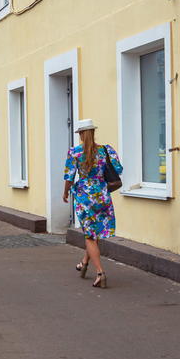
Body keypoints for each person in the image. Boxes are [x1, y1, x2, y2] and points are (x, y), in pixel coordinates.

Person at [62, 119, 122, 288]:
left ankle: (100, 273)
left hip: (84, 196)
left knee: (89, 235)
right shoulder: (105, 150)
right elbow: (118, 170)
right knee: (95, 233)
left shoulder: (75, 152)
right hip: (102, 195)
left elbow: (69, 176)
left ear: (81, 134)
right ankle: (84, 263)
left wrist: (65, 192)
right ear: (93, 132)